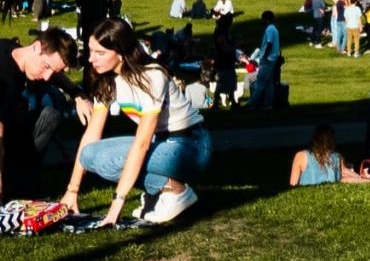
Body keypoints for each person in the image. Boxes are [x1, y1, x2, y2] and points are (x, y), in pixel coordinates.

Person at [59, 17, 214, 227]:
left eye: (100, 53)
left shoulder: (151, 76)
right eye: (91, 51)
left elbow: (141, 144)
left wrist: (117, 203)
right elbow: (91, 135)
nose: (91, 59)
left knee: (110, 159)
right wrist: (72, 190)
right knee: (90, 155)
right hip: (160, 145)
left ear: (121, 52)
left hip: (190, 147)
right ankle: (161, 191)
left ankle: (176, 190)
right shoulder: (107, 81)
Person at [0, 28, 77, 200]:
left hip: (14, 131)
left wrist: (76, 92)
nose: (48, 76)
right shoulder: (4, 73)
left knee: (50, 116)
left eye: (53, 71)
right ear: (36, 47)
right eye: (46, 67)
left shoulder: (18, 53)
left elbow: (53, 75)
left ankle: (23, 177)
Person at [249, 10, 283, 110]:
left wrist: (264, 56)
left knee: (260, 83)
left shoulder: (269, 29)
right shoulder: (274, 29)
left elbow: (269, 43)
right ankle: (268, 104)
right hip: (273, 59)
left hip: (267, 60)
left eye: (263, 19)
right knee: (269, 84)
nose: (262, 21)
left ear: (267, 20)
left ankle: (253, 104)